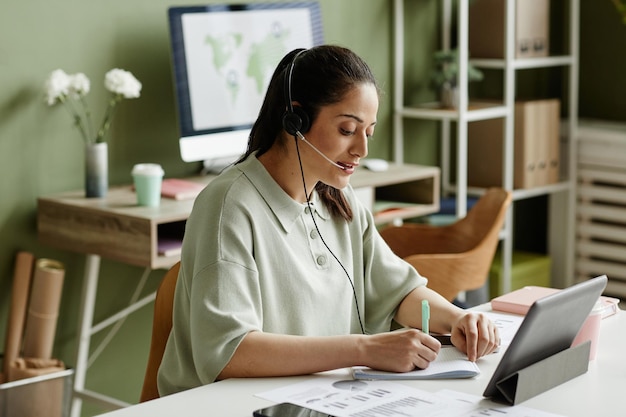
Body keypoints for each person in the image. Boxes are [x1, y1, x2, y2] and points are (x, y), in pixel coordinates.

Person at [158, 45, 499, 396]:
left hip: (319, 399)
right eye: (347, 129)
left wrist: (458, 318)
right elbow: (229, 353)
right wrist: (366, 349)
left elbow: (399, 291)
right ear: (296, 121)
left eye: (368, 132)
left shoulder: (338, 197)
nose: (362, 151)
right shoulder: (228, 206)